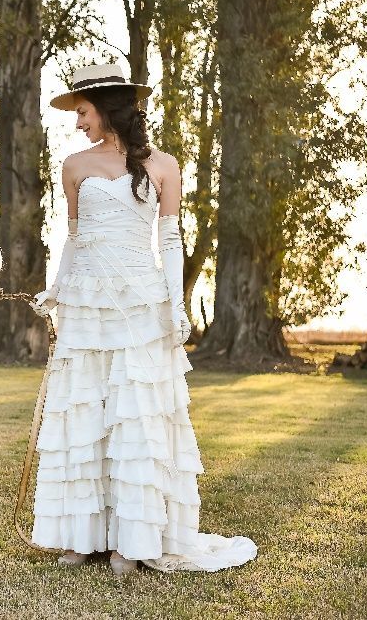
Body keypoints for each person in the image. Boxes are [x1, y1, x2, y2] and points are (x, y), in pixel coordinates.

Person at [31, 63, 257, 575]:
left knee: (135, 415)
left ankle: (130, 541)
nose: (78, 122)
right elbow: (75, 236)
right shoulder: (72, 166)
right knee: (86, 416)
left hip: (140, 302)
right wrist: (57, 288)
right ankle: (83, 536)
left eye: (83, 112)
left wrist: (176, 306)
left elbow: (171, 241)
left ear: (107, 109)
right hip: (87, 303)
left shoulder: (163, 165)